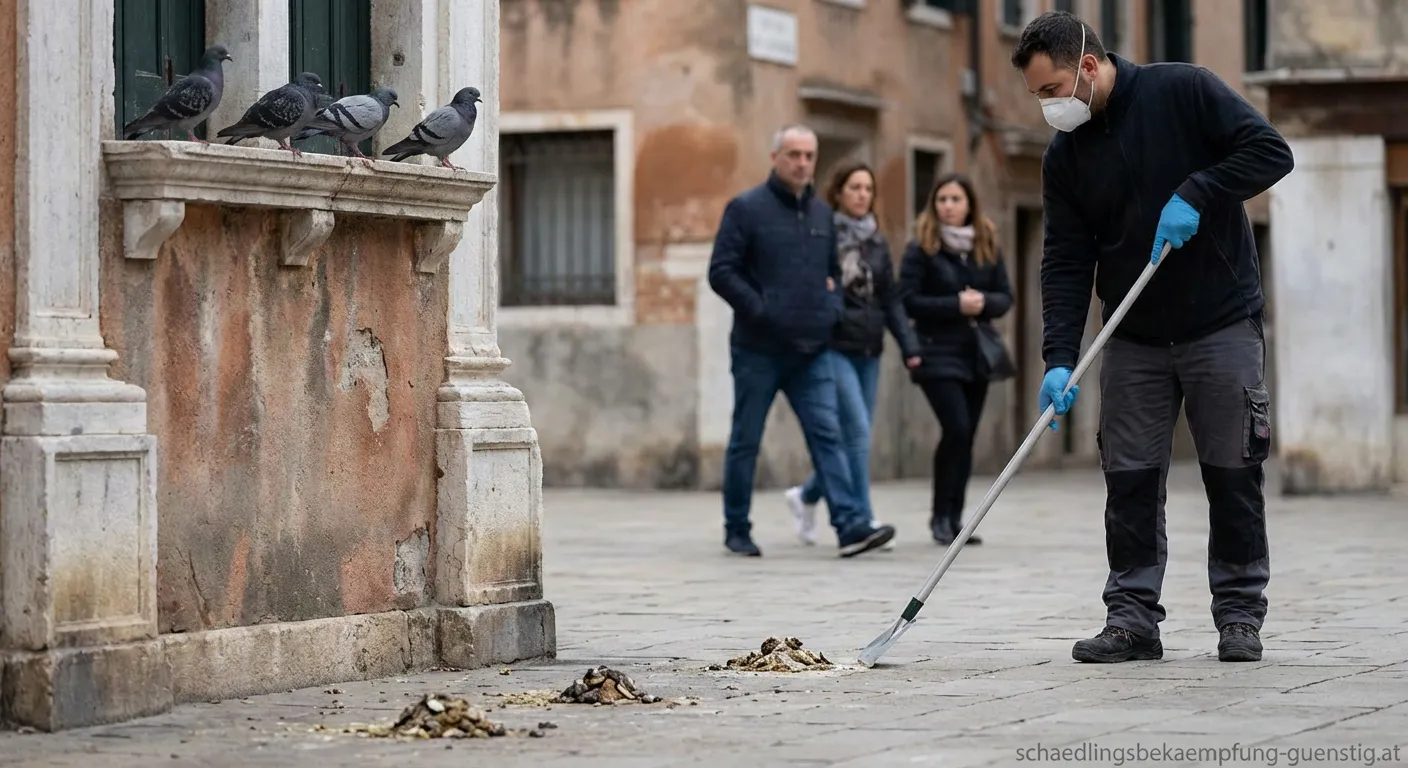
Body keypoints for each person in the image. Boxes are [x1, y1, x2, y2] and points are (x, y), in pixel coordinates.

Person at [1010, 11, 1294, 663]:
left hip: (1220, 320)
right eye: (1037, 96)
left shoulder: (1184, 90)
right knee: (1130, 480)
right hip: (1133, 333)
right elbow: (1064, 261)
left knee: (1232, 475)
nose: (1048, 107)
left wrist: (1200, 190)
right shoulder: (1065, 156)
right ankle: (1132, 618)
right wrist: (1059, 358)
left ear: (1087, 66)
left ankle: (1240, 614)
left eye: (1051, 90)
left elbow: (1271, 151)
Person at [707, 124, 898, 559]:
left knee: (828, 435)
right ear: (775, 157)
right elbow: (721, 271)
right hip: (757, 349)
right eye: (793, 154)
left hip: (811, 351)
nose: (802, 163)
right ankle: (737, 527)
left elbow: (832, 272)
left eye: (809, 156)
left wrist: (829, 310)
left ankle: (850, 526)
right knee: (746, 439)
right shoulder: (746, 209)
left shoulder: (820, 215)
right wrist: (761, 309)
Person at [782, 160, 923, 547]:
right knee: (857, 432)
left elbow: (890, 298)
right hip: (834, 347)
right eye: (855, 188)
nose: (862, 195)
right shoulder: (823, 233)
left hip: (869, 349)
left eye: (868, 189)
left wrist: (910, 346)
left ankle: (806, 495)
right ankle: (862, 516)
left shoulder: (876, 240)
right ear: (839, 193)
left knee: (850, 437)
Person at [898, 173, 1014, 548]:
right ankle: (939, 515)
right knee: (957, 428)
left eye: (955, 199)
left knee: (965, 436)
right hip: (935, 352)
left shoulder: (986, 244)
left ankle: (955, 519)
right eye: (942, 199)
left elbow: (1005, 296)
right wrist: (955, 305)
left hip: (976, 354)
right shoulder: (922, 247)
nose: (948, 206)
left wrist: (983, 302)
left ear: (969, 205)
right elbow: (908, 300)